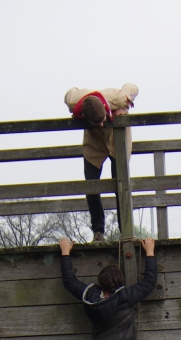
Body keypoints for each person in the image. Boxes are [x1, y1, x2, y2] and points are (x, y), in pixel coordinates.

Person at [64, 83, 139, 242]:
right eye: (97, 121)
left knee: (121, 185)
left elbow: (132, 87)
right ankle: (98, 232)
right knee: (91, 186)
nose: (101, 123)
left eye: (102, 119)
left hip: (116, 138)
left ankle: (126, 232)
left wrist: (126, 104)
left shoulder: (118, 98)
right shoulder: (75, 101)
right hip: (94, 141)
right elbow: (70, 93)